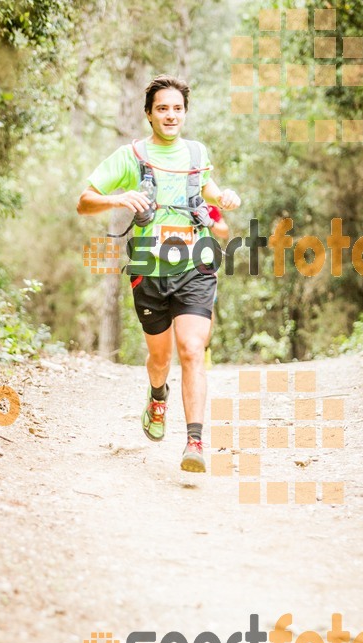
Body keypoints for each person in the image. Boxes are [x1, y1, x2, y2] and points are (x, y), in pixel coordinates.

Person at [77, 74, 240, 473]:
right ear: (149, 114)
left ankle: (195, 442)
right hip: (149, 269)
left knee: (192, 350)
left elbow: (214, 200)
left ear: (185, 114)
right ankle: (156, 395)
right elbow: (84, 201)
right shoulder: (131, 156)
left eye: (177, 109)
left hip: (195, 266)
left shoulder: (197, 155)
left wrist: (225, 200)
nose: (171, 115)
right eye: (162, 108)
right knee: (159, 358)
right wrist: (118, 198)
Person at [204, 205, 229, 368]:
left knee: (207, 310)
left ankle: (204, 350)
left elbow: (224, 231)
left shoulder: (204, 199)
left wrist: (209, 222)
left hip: (204, 263)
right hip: (168, 263)